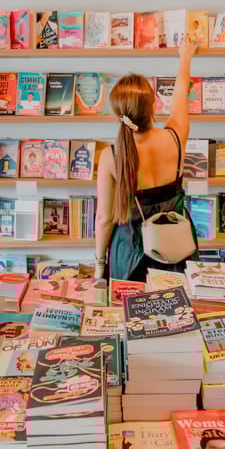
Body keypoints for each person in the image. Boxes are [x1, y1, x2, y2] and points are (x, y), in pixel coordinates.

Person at [95, 37, 198, 281]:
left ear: (118, 113)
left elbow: (104, 218)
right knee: (178, 313)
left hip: (129, 254)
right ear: (154, 105)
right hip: (176, 248)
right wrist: (185, 57)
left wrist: (100, 263)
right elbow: (181, 94)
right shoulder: (175, 138)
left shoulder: (111, 156)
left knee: (126, 313)